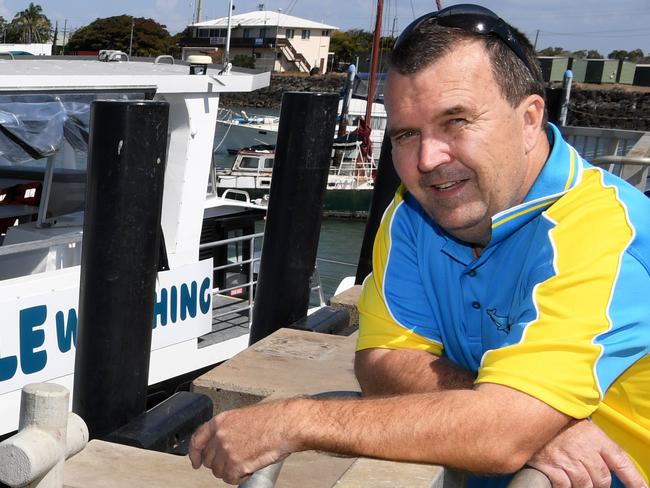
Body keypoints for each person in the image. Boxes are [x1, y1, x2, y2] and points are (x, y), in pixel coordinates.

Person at [189, 5, 650, 487]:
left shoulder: (604, 232)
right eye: (407, 134)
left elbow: (499, 438)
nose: (428, 160)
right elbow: (382, 363)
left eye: (456, 121)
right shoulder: (414, 214)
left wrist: (293, 422)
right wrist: (522, 421)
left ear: (530, 117)